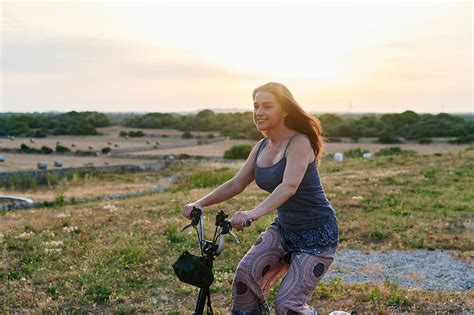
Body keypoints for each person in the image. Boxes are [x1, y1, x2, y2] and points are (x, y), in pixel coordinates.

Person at [182, 82, 339, 315]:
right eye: (256, 106)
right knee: (245, 277)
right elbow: (237, 183)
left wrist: (253, 214)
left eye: (267, 106)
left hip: (317, 234)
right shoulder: (261, 146)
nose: (259, 112)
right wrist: (200, 203)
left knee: (287, 306)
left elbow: (289, 187)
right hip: (285, 229)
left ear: (285, 110)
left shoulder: (299, 143)